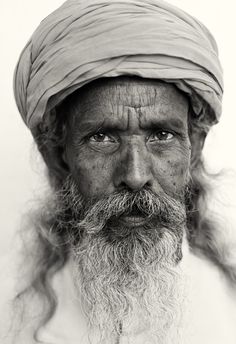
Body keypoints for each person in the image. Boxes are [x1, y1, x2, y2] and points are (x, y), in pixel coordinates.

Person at [1, 0, 236, 343]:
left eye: (162, 135)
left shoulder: (226, 305)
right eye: (102, 137)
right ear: (56, 154)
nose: (136, 175)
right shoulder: (11, 314)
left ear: (194, 146)